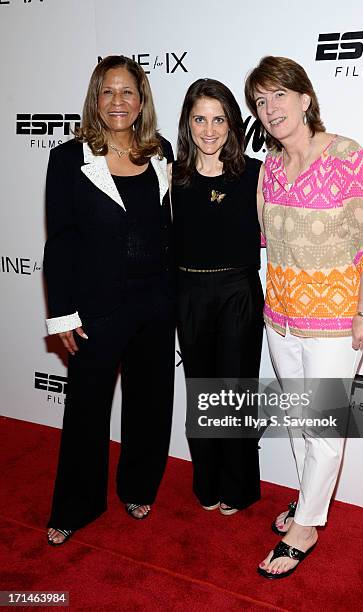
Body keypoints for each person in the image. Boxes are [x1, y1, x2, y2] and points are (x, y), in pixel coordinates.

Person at [244, 56, 363, 578]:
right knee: (303, 422)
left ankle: (305, 527)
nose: (270, 108)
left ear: (305, 98)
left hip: (334, 323)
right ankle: (308, 500)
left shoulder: (349, 156)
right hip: (280, 319)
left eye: (279, 95)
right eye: (260, 101)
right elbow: (266, 243)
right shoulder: (269, 169)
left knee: (324, 427)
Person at [44, 55, 175, 545]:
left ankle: (139, 485)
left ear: (142, 101)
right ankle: (76, 505)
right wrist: (61, 313)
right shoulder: (68, 158)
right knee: (86, 409)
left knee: (150, 402)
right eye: (108, 92)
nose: (118, 102)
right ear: (95, 100)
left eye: (128, 92)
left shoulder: (160, 152)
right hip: (98, 306)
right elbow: (59, 241)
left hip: (157, 303)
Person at [172, 78, 264, 515]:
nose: (209, 130)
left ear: (232, 123)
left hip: (238, 293)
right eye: (199, 119)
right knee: (202, 394)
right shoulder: (172, 175)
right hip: (189, 293)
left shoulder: (257, 174)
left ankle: (239, 487)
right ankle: (206, 482)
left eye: (218, 119)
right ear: (188, 124)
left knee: (234, 393)